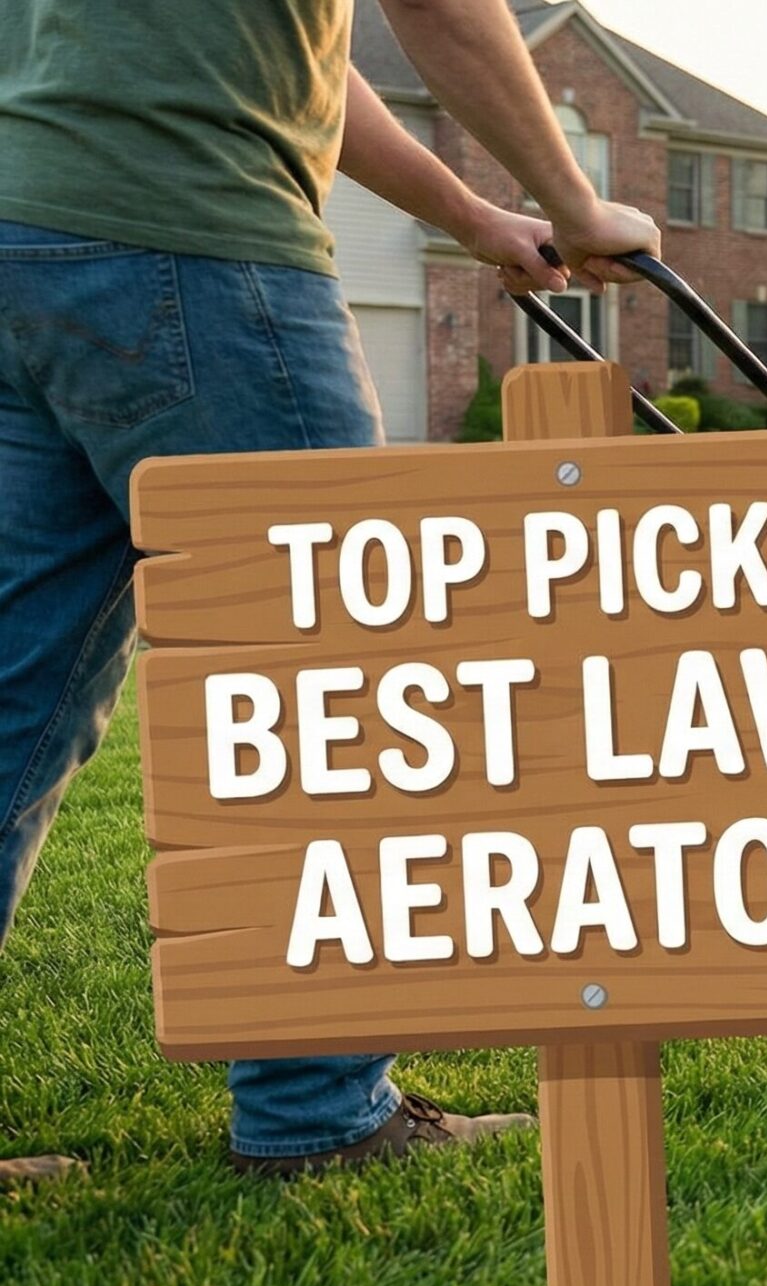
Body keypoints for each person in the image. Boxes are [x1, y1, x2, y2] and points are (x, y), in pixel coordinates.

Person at [0, 0, 660, 1181]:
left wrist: (474, 216)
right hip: (194, 237)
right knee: (341, 692)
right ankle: (319, 1114)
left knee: (12, 699)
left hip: (24, 239)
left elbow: (304, 64)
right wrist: (573, 197)